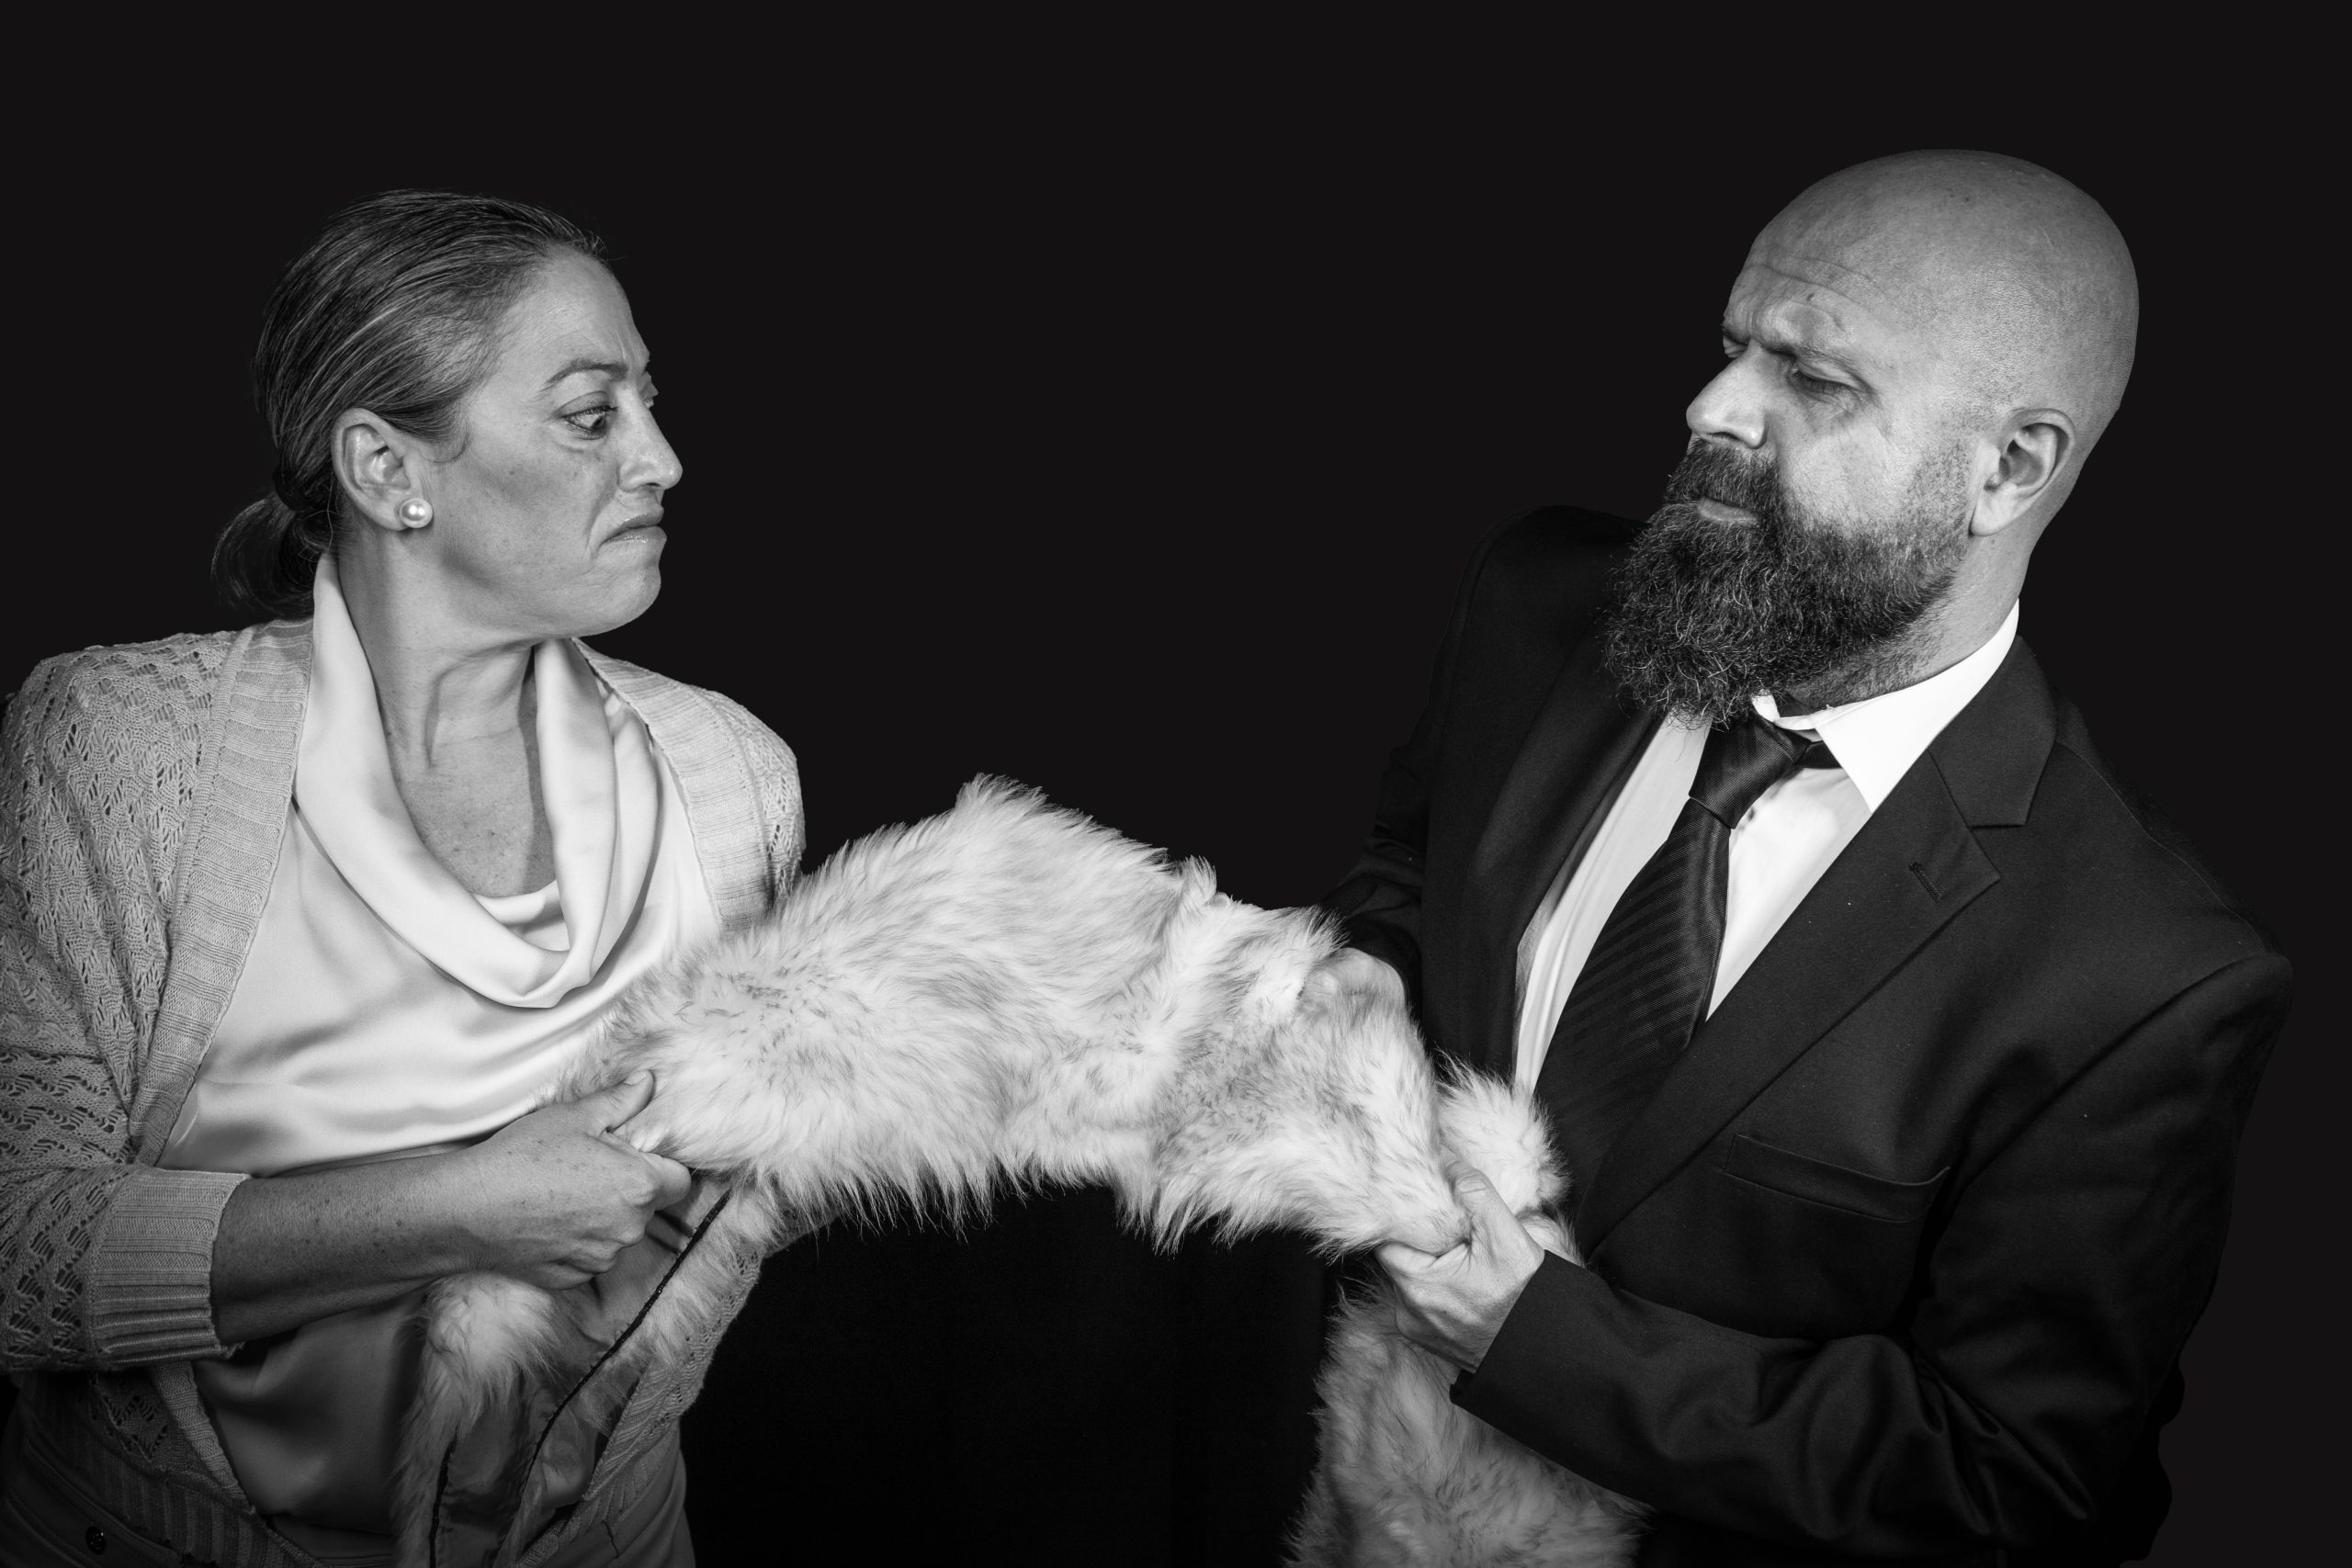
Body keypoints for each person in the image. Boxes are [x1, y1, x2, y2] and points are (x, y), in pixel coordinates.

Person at [1340, 151, 2290, 1566]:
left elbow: (2001, 1472)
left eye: (1814, 377)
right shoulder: (1540, 603)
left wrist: (1533, 1338)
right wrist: (1367, 968)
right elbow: (1413, 866)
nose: (1714, 407)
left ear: (2009, 469)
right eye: (1733, 345)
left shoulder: (2141, 976)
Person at [0, 192, 803, 1566]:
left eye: (649, 404)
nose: (663, 460)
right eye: (591, 414)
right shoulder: (116, 747)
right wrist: (462, 1209)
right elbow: (20, 1249)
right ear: (385, 469)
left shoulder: (733, 775)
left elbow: (714, 1222)